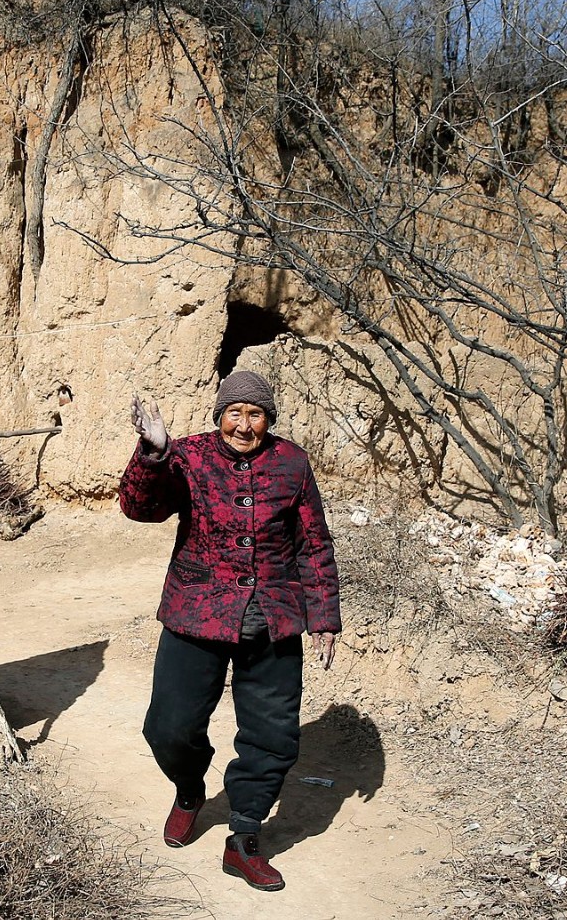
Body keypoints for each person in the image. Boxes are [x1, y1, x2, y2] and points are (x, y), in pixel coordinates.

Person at [119, 370, 340, 892]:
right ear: (220, 415)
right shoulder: (189, 456)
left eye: (255, 414)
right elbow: (139, 507)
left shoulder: (292, 463)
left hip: (274, 617)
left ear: (269, 420)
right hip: (196, 613)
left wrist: (323, 618)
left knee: (273, 736)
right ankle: (190, 789)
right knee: (168, 727)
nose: (244, 425)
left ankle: (243, 837)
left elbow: (313, 543)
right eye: (234, 413)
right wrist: (152, 454)